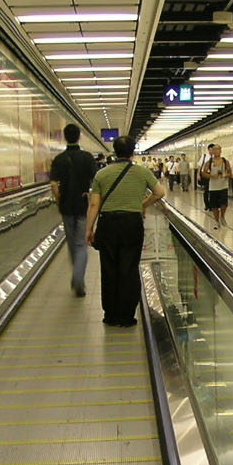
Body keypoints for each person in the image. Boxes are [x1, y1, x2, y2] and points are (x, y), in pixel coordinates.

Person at [86, 135, 164, 327]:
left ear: (114, 151)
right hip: (131, 223)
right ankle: (127, 316)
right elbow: (160, 193)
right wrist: (142, 204)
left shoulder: (102, 174)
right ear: (132, 152)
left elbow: (95, 204)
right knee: (129, 268)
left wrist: (89, 228)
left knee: (109, 268)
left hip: (108, 224)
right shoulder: (142, 172)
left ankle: (110, 315)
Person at [48, 123, 96, 297]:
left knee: (71, 243)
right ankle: (78, 278)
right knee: (81, 243)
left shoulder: (59, 159)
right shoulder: (87, 157)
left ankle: (76, 276)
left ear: (64, 137)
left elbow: (54, 185)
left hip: (66, 207)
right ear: (79, 137)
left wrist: (59, 200)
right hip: (83, 206)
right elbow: (95, 182)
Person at [205, 143, 231, 230]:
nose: (216, 151)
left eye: (218, 150)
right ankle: (216, 221)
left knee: (224, 204)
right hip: (213, 187)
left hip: (223, 186)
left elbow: (229, 172)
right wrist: (212, 176)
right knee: (214, 205)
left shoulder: (225, 161)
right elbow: (204, 173)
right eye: (214, 150)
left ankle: (222, 216)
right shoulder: (209, 162)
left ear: (220, 151)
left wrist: (225, 175)